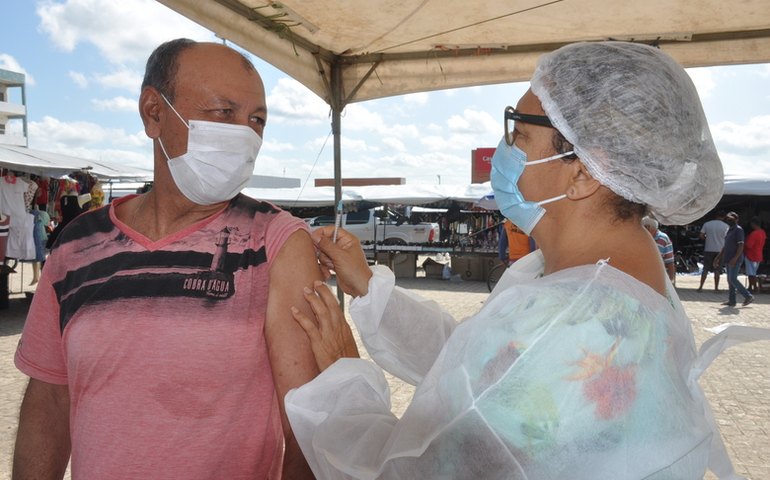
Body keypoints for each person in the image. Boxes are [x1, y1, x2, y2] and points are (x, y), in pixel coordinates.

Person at [283, 42, 753, 479]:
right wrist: (370, 288)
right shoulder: (609, 269)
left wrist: (342, 378)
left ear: (584, 173)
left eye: (521, 135)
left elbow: (397, 470)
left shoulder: (566, 321)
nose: (505, 150)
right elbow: (483, 369)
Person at [13, 39, 320, 479]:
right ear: (154, 112)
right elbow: (49, 398)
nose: (246, 134)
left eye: (257, 120)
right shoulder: (78, 244)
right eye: (224, 112)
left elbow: (307, 429)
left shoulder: (276, 242)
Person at [716, 212, 754, 307]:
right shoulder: (729, 230)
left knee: (733, 279)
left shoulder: (738, 230)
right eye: (728, 219)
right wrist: (718, 257)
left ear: (737, 220)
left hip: (735, 259)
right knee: (730, 280)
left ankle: (748, 296)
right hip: (728, 258)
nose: (729, 221)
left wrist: (735, 258)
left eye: (732, 219)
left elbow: (741, 245)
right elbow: (725, 246)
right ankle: (732, 300)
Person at [698, 210, 729, 292]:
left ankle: (701, 287)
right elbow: (727, 238)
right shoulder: (726, 226)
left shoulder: (707, 224)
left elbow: (701, 235)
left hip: (708, 249)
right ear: (724, 217)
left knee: (705, 268)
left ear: (716, 216)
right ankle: (716, 288)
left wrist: (707, 239)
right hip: (720, 250)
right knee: (717, 269)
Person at [642, 216, 676, 284]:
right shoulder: (641, 237)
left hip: (658, 278)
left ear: (648, 227)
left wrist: (671, 281)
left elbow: (670, 261)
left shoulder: (663, 238)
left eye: (643, 227)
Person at [744, 216, 766, 293]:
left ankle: (755, 288)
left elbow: (749, 245)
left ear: (753, 224)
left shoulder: (754, 234)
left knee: (751, 273)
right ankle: (751, 287)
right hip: (758, 254)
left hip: (751, 255)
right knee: (753, 272)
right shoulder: (763, 233)